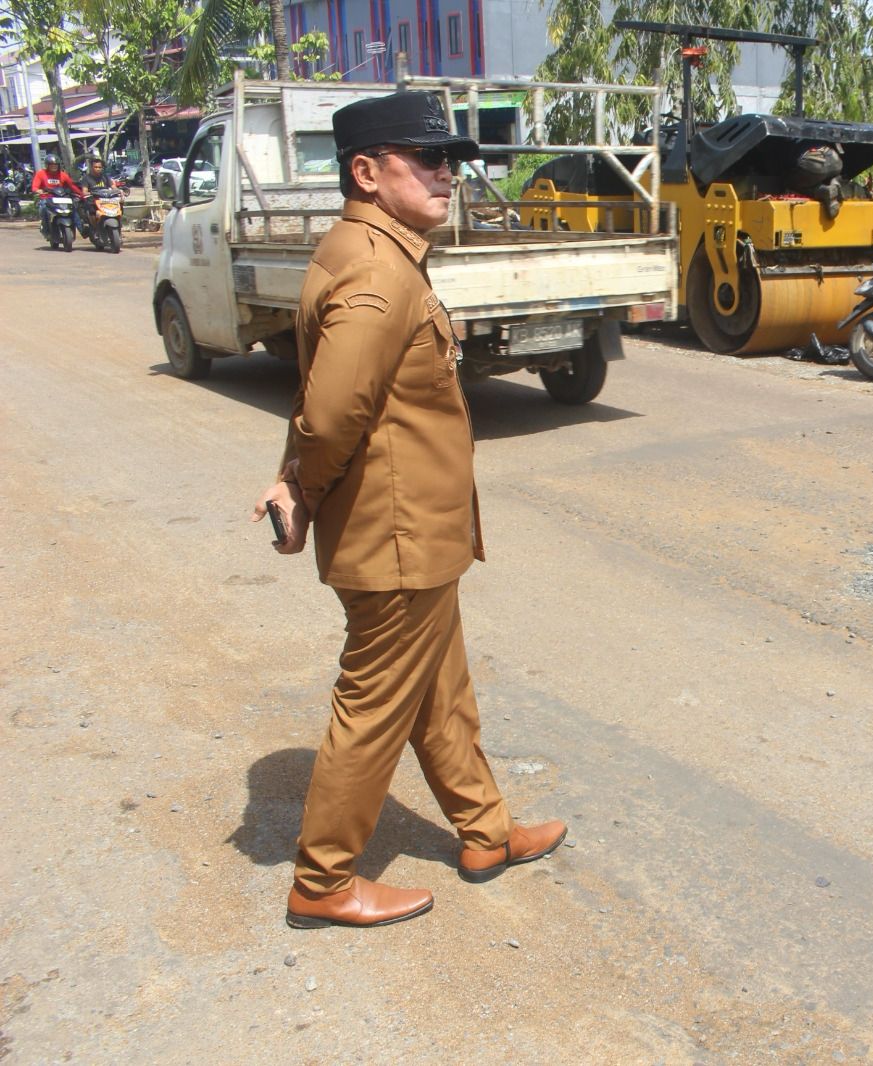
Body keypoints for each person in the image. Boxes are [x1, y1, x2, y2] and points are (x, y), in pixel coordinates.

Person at [252, 91, 567, 930]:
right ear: (365, 170)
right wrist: (301, 488)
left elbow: (325, 396)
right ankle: (322, 880)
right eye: (426, 160)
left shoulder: (378, 252)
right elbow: (328, 414)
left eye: (452, 162)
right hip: (392, 536)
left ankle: (485, 830)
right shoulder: (376, 270)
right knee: (376, 704)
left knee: (440, 689)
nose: (447, 175)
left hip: (413, 532)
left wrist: (294, 480)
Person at [31, 153, 84, 226]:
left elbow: (72, 186)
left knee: (73, 208)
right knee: (43, 209)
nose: (54, 167)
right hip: (47, 198)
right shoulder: (41, 174)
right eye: (51, 165)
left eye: (56, 165)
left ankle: (81, 228)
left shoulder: (63, 174)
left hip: (61, 198)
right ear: (47, 165)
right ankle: (46, 228)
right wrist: (38, 190)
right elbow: (34, 187)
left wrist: (81, 194)